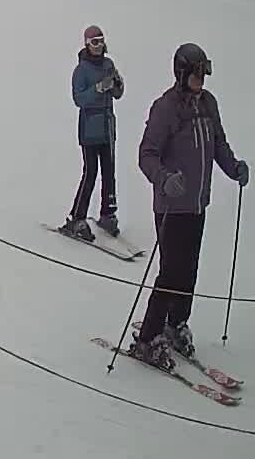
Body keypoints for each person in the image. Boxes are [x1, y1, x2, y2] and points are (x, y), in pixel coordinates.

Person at [131, 43, 249, 369]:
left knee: (189, 270)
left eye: (203, 74)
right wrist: (164, 178)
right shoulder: (166, 108)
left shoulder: (208, 105)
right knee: (170, 272)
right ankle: (148, 337)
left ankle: (176, 322)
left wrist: (233, 166)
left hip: (197, 203)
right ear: (182, 74)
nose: (202, 80)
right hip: (171, 205)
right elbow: (147, 154)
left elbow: (218, 145)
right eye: (196, 74)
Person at [61, 26, 125, 241]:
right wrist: (98, 88)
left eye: (100, 41)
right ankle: (77, 216)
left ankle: (108, 212)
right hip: (89, 129)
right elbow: (78, 99)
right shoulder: (81, 70)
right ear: (86, 44)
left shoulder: (108, 64)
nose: (98, 46)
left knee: (109, 171)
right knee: (90, 173)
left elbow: (117, 94)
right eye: (93, 42)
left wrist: (117, 85)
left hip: (107, 128)